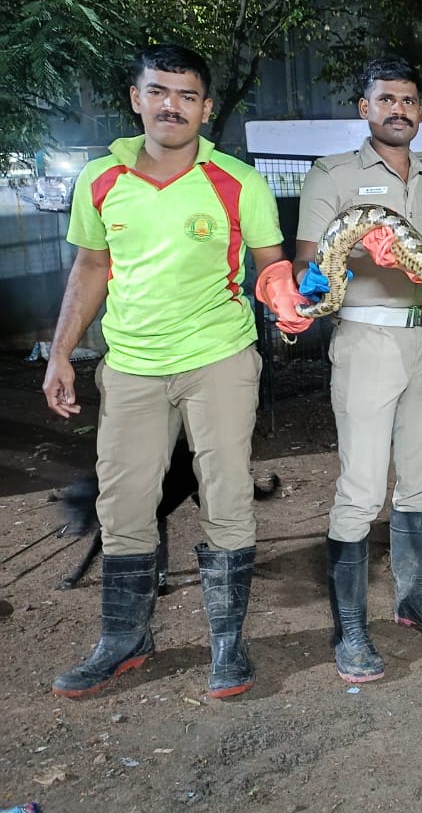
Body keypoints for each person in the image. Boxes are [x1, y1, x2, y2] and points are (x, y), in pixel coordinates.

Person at [42, 44, 312, 700]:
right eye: (159, 92)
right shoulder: (100, 181)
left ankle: (228, 644)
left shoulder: (237, 182)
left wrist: (286, 302)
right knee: (123, 504)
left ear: (206, 108)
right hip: (132, 366)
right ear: (136, 99)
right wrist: (59, 353)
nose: (172, 105)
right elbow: (90, 270)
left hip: (219, 360)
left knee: (226, 500)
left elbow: (269, 263)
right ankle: (125, 638)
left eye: (187, 95)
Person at [293, 56, 422, 684]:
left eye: (410, 101)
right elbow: (310, 258)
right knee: (362, 487)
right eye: (386, 99)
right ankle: (351, 629)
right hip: (366, 339)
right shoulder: (332, 173)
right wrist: (371, 251)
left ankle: (415, 600)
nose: (399, 110)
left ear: (420, 112)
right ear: (364, 108)